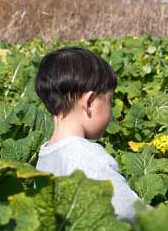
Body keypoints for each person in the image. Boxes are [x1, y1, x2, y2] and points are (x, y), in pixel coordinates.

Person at [34, 46, 140, 222]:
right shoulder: (87, 155)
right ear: (89, 102)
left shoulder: (45, 155)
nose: (111, 111)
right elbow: (125, 208)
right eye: (110, 102)